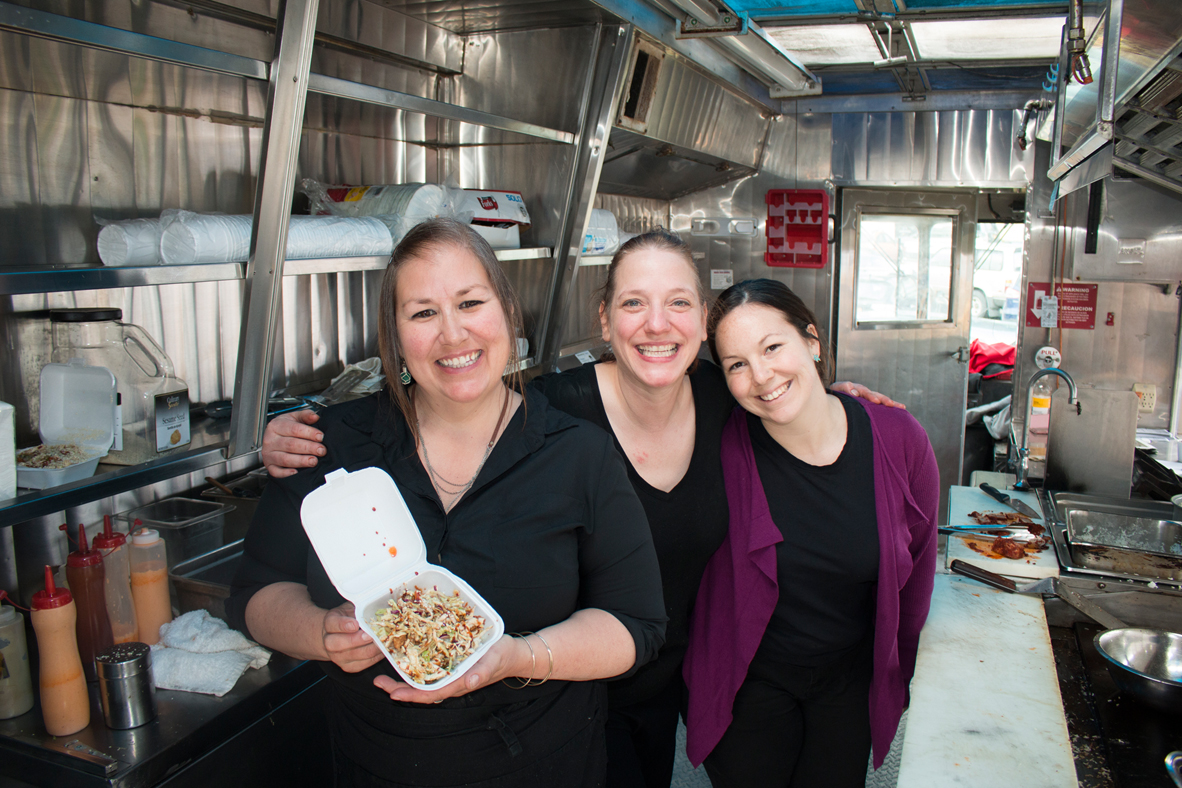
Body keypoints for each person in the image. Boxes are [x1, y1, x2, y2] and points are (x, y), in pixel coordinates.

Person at [259, 229, 903, 788]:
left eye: (678, 302)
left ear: (702, 319)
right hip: (568, 687)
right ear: (604, 319)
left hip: (666, 673)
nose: (657, 323)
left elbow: (785, 398)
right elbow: (461, 385)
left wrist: (835, 397)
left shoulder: (730, 399)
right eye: (633, 303)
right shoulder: (556, 414)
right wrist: (294, 438)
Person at [226, 218, 667, 788]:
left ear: (507, 311)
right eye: (423, 312)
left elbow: (636, 626)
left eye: (470, 302)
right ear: (395, 335)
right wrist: (320, 633)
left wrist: (516, 657)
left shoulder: (578, 454)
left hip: (540, 763)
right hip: (376, 764)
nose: (454, 335)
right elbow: (255, 593)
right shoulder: (330, 446)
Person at [682, 278, 939, 788]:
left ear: (813, 341)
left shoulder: (897, 439)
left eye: (773, 347)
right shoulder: (715, 439)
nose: (761, 375)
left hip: (849, 681)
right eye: (736, 364)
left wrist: (899, 678)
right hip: (745, 685)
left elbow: (917, 578)